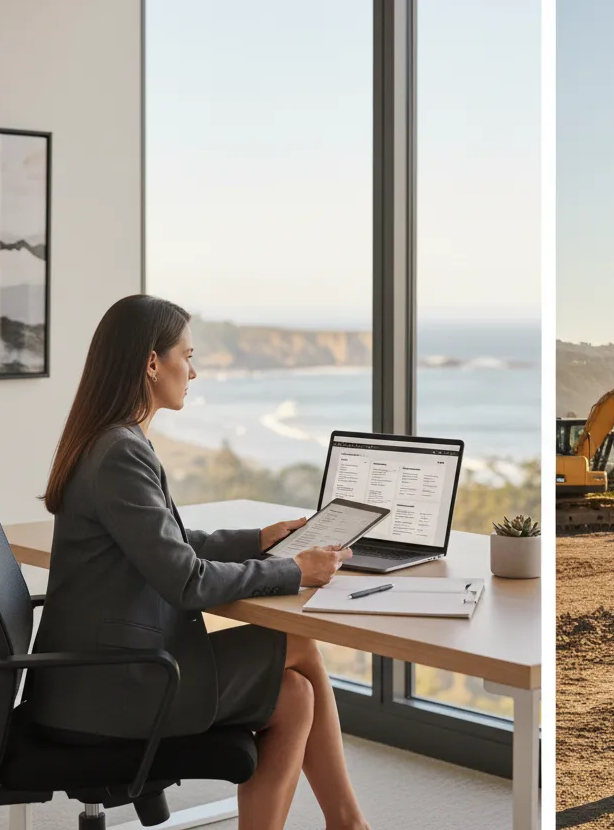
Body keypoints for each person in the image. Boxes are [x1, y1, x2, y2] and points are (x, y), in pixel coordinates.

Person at [27, 295, 371, 830]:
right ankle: (348, 823)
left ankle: (345, 823)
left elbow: (169, 543)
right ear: (152, 363)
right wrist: (295, 571)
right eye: (187, 356)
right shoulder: (120, 452)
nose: (193, 372)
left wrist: (258, 539)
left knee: (294, 694)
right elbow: (186, 580)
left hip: (88, 676)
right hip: (115, 687)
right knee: (300, 647)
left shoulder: (108, 440)